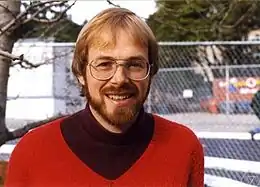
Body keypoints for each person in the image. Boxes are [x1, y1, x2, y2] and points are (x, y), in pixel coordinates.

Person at [5, 7, 204, 187]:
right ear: (81, 73)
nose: (119, 79)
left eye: (134, 64)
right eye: (104, 64)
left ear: (151, 72)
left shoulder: (183, 148)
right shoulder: (33, 153)